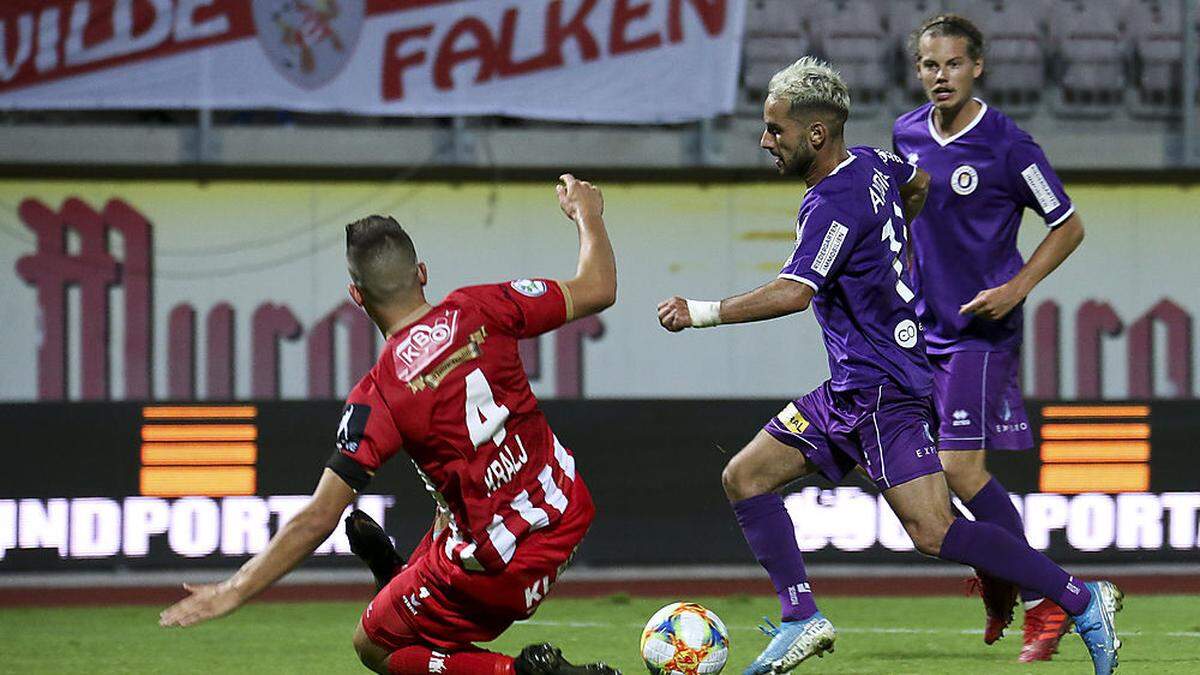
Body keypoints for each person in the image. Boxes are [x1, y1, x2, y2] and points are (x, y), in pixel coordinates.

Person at [656, 56, 1120, 675]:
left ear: (815, 134)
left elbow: (796, 292)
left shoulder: (833, 202)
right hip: (854, 385)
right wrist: (888, 247)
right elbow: (918, 184)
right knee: (746, 476)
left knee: (933, 532)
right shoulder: (874, 164)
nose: (765, 140)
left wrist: (701, 312)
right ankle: (802, 618)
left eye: (776, 130)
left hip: (881, 390)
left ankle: (1079, 599)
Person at [160, 175, 620, 675]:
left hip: (501, 568)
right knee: (452, 508)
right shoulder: (483, 306)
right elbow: (598, 288)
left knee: (375, 644)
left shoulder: (378, 395)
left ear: (356, 296)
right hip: (568, 513)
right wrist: (586, 212)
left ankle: (522, 673)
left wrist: (234, 590)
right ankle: (396, 574)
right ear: (422, 272)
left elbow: (318, 517)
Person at [893, 14, 1090, 661]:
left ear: (977, 67)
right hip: (922, 330)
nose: (938, 76)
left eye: (951, 64)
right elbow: (909, 216)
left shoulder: (1008, 144)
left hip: (981, 330)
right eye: (928, 65)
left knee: (959, 468)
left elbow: (1066, 224)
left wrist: (1017, 286)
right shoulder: (907, 134)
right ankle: (1007, 583)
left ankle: (1046, 597)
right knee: (926, 474)